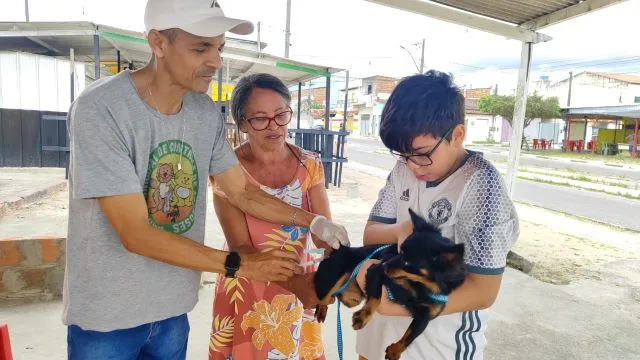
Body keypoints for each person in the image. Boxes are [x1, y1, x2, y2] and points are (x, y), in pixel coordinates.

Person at [63, 0, 348, 358]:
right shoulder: (102, 109)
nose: (215, 61)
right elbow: (135, 234)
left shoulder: (204, 112)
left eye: (219, 47)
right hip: (108, 314)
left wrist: (314, 221)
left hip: (172, 306)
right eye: (201, 48)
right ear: (159, 43)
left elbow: (241, 191)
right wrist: (239, 264)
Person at [354, 70, 519, 360]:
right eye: (403, 155)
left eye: (421, 153)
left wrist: (393, 305)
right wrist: (401, 230)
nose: (413, 165)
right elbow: (371, 232)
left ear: (457, 135)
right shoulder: (403, 169)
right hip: (375, 339)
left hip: (438, 347)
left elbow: (483, 291)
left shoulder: (481, 185)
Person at [209, 73, 331, 359]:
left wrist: (333, 271)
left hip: (302, 286)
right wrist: (296, 284)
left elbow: (323, 234)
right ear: (242, 123)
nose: (274, 126)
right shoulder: (227, 171)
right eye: (260, 118)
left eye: (281, 115)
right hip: (248, 286)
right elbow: (241, 247)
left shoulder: (309, 164)